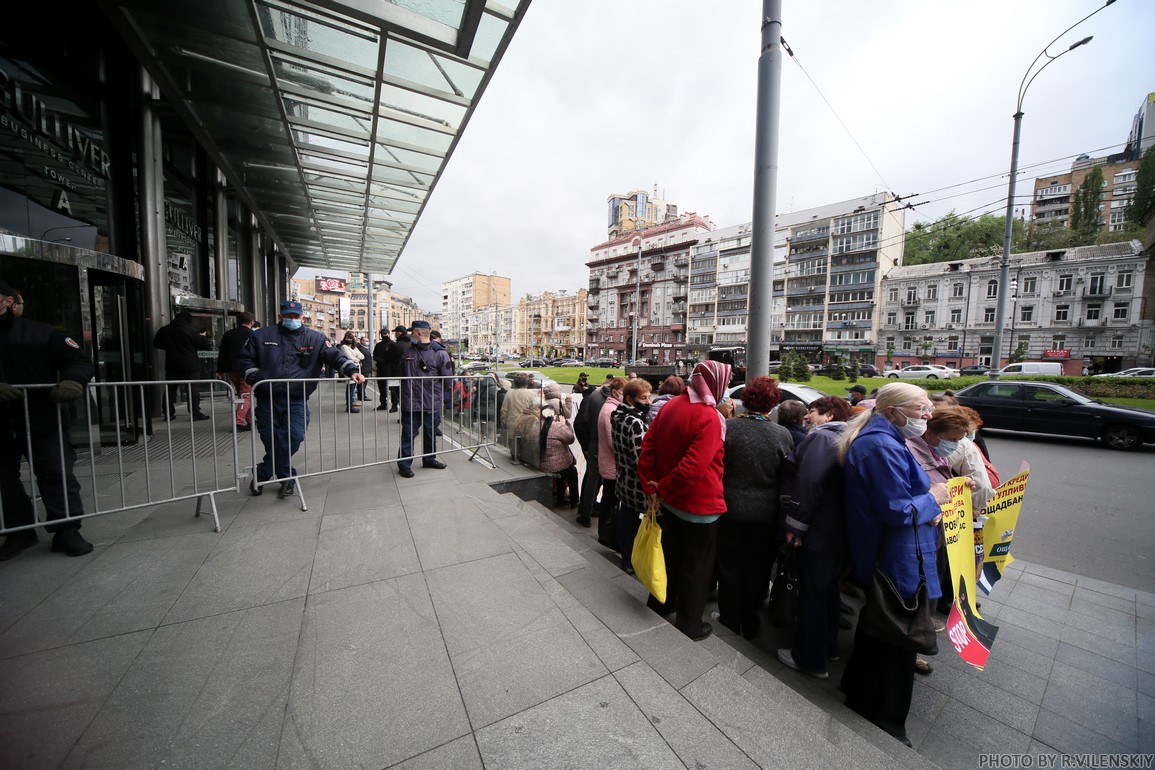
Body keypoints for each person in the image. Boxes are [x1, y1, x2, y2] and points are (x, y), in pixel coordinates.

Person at [837, 382, 950, 747]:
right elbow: (897, 509)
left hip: (896, 549)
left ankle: (859, 692)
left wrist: (926, 504)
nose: (927, 417)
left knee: (880, 627)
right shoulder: (880, 446)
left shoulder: (883, 439)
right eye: (920, 409)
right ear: (892, 412)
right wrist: (934, 499)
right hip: (896, 554)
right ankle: (886, 718)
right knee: (898, 635)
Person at [0, 280, 95, 559]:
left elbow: (79, 361)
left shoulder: (41, 334)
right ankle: (19, 531)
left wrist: (73, 381)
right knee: (5, 480)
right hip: (0, 427)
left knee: (56, 474)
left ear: (7, 302)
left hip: (42, 420)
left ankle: (66, 530)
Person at [637, 360, 731, 642]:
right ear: (715, 384)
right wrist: (662, 488)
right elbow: (693, 468)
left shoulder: (670, 406)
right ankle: (689, 623)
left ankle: (661, 603)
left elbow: (648, 447)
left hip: (669, 503)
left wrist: (652, 487)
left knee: (670, 556)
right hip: (699, 505)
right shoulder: (710, 417)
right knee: (697, 567)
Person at [237, 300, 365, 496]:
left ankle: (262, 472)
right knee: (271, 439)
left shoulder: (315, 338)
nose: (292, 320)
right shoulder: (261, 336)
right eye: (288, 317)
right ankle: (287, 477)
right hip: (267, 397)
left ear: (302, 317)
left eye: (296, 317)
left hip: (296, 398)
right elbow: (245, 360)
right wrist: (256, 378)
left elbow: (334, 356)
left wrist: (351, 370)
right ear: (281, 317)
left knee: (294, 436)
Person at [778, 395, 853, 678]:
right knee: (827, 592)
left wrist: (795, 527)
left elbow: (808, 484)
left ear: (829, 415)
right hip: (837, 531)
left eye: (812, 411)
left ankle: (809, 658)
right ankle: (828, 647)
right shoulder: (848, 438)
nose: (807, 417)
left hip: (818, 530)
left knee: (812, 594)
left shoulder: (822, 439)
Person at [716, 376, 792, 640]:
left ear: (746, 401)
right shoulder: (782, 434)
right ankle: (750, 622)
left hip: (729, 508)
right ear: (773, 404)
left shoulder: (728, 428)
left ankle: (728, 618)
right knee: (757, 568)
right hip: (765, 514)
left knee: (729, 564)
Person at [396, 320, 453, 478]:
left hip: (431, 402)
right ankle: (404, 464)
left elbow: (447, 379)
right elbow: (400, 371)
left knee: (430, 432)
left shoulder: (440, 353)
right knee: (408, 433)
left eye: (412, 332)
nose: (410, 335)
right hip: (411, 401)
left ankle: (429, 459)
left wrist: (441, 397)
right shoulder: (408, 352)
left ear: (418, 333)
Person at [610, 378, 652, 572]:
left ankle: (627, 558)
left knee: (626, 518)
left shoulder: (618, 415)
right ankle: (633, 560)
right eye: (643, 398)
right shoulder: (634, 422)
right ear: (629, 399)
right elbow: (641, 458)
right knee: (634, 521)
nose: (648, 402)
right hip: (636, 483)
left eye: (649, 396)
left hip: (623, 478)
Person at [153, 310, 212, 420]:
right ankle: (195, 413)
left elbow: (156, 343)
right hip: (190, 365)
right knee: (192, 390)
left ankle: (168, 413)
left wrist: (170, 347)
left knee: (170, 390)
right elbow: (204, 345)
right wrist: (203, 337)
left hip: (172, 364)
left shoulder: (164, 330)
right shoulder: (190, 331)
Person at [573, 375, 611, 528]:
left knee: (595, 478)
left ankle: (587, 508)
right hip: (595, 445)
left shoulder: (595, 397)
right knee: (593, 478)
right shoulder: (593, 398)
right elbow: (580, 424)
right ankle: (586, 509)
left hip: (596, 445)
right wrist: (586, 447)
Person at [596, 377, 626, 549]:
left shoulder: (610, 407)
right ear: (616, 392)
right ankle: (606, 535)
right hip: (612, 466)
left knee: (609, 500)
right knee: (610, 501)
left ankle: (605, 533)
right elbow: (612, 441)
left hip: (609, 464)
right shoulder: (610, 411)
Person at [216, 311, 255, 430]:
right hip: (247, 369)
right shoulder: (253, 335)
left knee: (242, 394)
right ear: (251, 322)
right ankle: (240, 421)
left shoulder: (228, 334)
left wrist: (220, 370)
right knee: (246, 395)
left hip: (232, 369)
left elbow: (222, 353)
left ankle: (249, 419)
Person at [540, 402, 579, 508]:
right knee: (571, 471)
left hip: (543, 464)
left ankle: (560, 499)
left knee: (563, 472)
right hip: (555, 466)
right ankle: (574, 501)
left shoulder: (538, 425)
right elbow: (571, 439)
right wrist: (563, 424)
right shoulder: (556, 427)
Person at [338, 332, 365, 413]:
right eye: (348, 338)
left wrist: (356, 357)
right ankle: (350, 406)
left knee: (353, 387)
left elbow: (362, 356)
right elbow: (350, 357)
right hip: (350, 368)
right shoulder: (344, 347)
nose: (349, 339)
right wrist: (357, 357)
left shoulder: (355, 348)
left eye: (351, 337)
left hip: (357, 368)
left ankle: (351, 403)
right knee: (351, 387)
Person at [372, 328, 394, 411]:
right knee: (382, 388)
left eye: (385, 334)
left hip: (390, 369)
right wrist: (380, 360)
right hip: (381, 369)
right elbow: (374, 356)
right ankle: (383, 404)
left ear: (388, 334)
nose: (383, 335)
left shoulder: (392, 344)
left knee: (392, 388)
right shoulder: (378, 345)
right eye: (382, 334)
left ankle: (394, 405)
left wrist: (386, 361)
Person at [356, 335, 373, 403]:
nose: (367, 342)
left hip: (366, 367)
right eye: (366, 341)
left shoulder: (363, 348)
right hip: (364, 368)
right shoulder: (360, 348)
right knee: (362, 382)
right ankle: (362, 396)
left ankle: (361, 395)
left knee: (363, 383)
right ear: (362, 341)